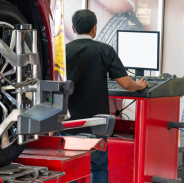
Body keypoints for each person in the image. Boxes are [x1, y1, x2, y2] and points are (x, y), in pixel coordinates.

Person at [59, 9, 148, 183]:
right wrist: (140, 85)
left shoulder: (62, 52)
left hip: (68, 124)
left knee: (69, 168)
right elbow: (126, 83)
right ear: (94, 29)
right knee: (98, 168)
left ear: (73, 28)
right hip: (96, 126)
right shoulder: (104, 50)